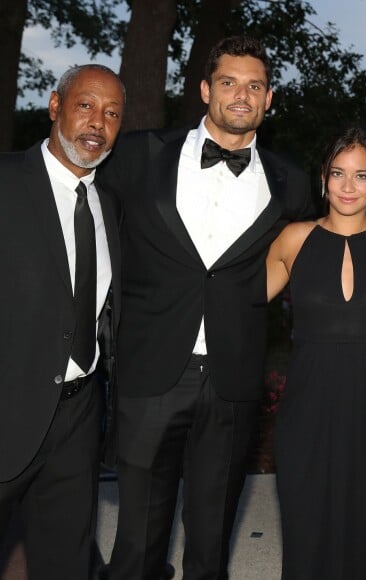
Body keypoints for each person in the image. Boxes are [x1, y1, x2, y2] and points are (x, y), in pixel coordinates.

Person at [97, 36, 314, 580]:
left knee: (212, 540)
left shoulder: (292, 182)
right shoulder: (138, 155)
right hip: (150, 371)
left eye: (254, 85)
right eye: (228, 82)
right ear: (204, 90)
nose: (241, 95)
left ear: (269, 99)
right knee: (137, 544)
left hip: (232, 379)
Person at [266, 127, 366, 580]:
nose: (349, 186)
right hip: (306, 408)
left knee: (363, 531)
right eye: (339, 174)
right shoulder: (294, 238)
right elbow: (239, 304)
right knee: (304, 528)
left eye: (360, 175)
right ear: (324, 178)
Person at [0, 64, 124, 580]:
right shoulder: (6, 181)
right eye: (86, 106)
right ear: (55, 107)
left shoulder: (109, 203)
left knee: (65, 563)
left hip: (77, 417)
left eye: (112, 113)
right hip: (7, 409)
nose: (98, 122)